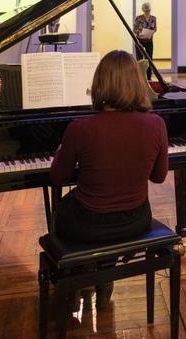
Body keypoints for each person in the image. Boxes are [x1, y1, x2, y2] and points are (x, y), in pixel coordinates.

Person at [50, 50, 168, 310]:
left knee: (62, 208)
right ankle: (104, 279)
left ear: (98, 84)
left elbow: (57, 177)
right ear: (138, 83)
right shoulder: (156, 124)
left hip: (88, 225)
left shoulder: (80, 128)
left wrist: (62, 150)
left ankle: (77, 279)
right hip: (136, 220)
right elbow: (158, 177)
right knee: (100, 206)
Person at [133, 2, 157, 79]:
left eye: (148, 11)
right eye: (146, 11)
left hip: (149, 41)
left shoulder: (153, 18)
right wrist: (139, 34)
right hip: (140, 41)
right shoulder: (138, 18)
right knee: (139, 59)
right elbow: (135, 29)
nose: (147, 12)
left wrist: (153, 31)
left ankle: (149, 77)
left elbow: (155, 28)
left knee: (149, 59)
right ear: (143, 10)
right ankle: (140, 77)